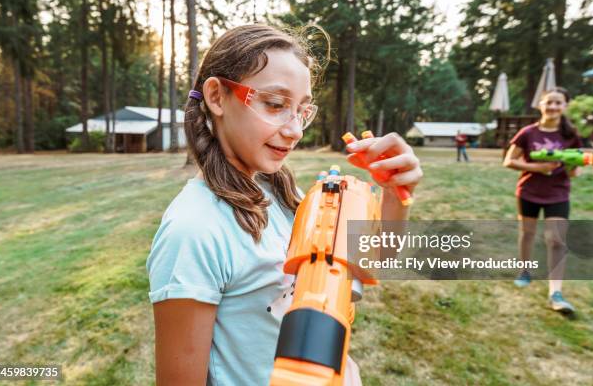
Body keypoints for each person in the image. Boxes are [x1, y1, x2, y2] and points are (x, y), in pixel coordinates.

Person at [145, 24, 423, 385]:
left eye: (302, 110)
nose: (295, 130)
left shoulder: (274, 192)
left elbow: (374, 260)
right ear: (216, 96)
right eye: (275, 104)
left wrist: (394, 193)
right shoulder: (193, 231)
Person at [503, 87, 582, 313]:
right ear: (541, 105)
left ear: (565, 106)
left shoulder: (570, 135)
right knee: (527, 233)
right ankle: (524, 271)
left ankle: (555, 293)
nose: (553, 107)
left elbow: (574, 172)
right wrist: (536, 167)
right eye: (549, 102)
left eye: (558, 103)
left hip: (558, 193)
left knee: (556, 240)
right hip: (528, 191)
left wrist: (572, 165)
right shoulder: (528, 133)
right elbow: (509, 161)